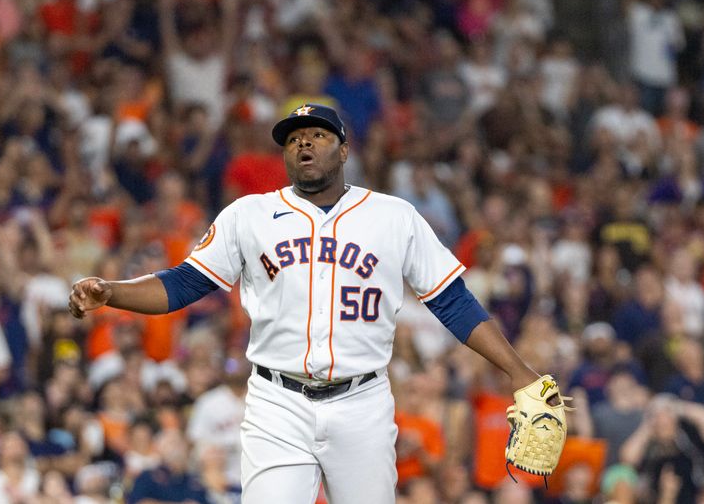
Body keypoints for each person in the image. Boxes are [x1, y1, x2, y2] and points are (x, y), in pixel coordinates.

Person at [69, 104, 548, 503]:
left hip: (362, 402)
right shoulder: (249, 215)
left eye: (317, 134)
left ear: (343, 149)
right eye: (293, 138)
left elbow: (453, 302)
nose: (303, 143)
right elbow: (183, 284)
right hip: (277, 402)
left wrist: (518, 370)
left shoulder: (393, 216)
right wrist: (114, 292)